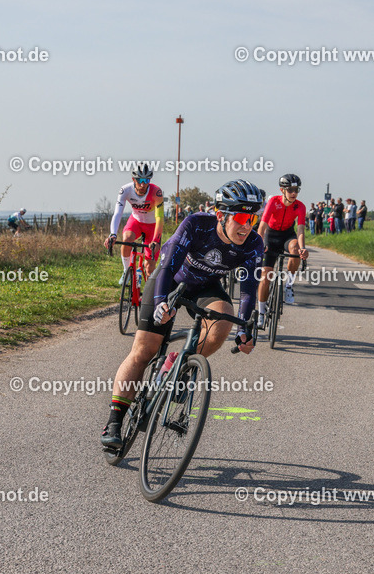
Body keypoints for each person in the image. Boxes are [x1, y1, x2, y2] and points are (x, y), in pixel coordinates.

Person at [100, 179, 264, 450]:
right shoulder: (197, 224)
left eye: (253, 218)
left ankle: (178, 364)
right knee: (144, 349)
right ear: (221, 215)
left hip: (206, 287)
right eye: (242, 217)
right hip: (171, 279)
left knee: (222, 321)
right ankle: (115, 421)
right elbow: (165, 267)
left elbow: (248, 291)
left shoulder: (253, 244)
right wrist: (162, 302)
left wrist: (245, 330)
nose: (248, 225)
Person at [256, 174, 309, 320]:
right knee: (265, 277)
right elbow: (262, 226)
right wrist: (261, 244)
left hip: (287, 235)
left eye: (296, 190)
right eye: (290, 190)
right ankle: (261, 313)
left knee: (296, 249)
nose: (294, 193)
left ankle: (289, 286)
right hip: (271, 236)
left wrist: (303, 248)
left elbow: (300, 230)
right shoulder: (273, 201)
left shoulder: (300, 206)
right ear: (282, 190)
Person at [104, 164, 165, 279]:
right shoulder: (125, 190)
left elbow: (160, 218)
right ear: (133, 179)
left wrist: (156, 241)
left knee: (149, 267)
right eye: (140, 180)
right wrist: (113, 235)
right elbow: (118, 213)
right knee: (126, 239)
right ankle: (126, 272)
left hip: (152, 226)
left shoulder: (156, 192)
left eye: (146, 180)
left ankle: (148, 295)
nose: (143, 184)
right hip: (136, 221)